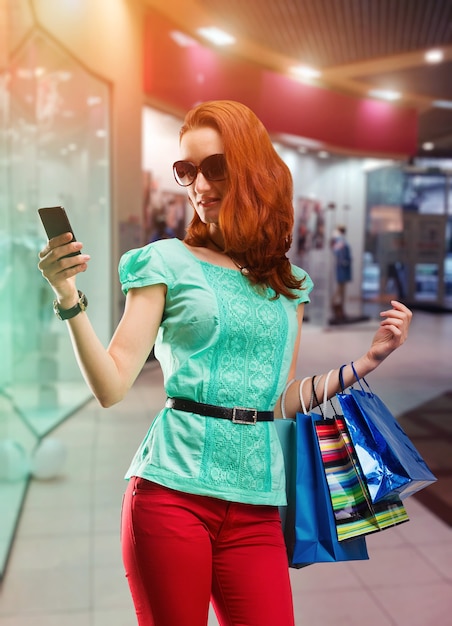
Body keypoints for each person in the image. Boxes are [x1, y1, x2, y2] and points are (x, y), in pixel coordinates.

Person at [38, 100, 412, 626]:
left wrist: (366, 361)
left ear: (251, 168)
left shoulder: (290, 284)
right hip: (172, 494)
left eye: (214, 167)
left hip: (256, 503)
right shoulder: (164, 261)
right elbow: (111, 385)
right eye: (186, 170)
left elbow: (277, 399)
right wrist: (68, 296)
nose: (198, 185)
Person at [331, 224, 352, 321]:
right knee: (340, 289)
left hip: (344, 267)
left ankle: (340, 308)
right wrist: (343, 262)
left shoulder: (340, 239)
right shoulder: (339, 240)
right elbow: (338, 252)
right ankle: (335, 306)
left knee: (342, 289)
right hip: (342, 267)